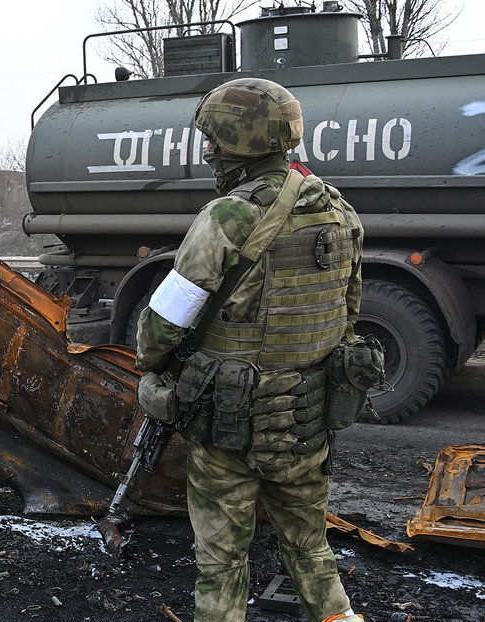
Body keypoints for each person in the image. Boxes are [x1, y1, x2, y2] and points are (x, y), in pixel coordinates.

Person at [134, 78, 366, 622]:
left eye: (213, 139)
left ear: (239, 143)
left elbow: (161, 326)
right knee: (311, 550)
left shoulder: (227, 217)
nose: (208, 150)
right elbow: (348, 314)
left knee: (221, 563)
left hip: (229, 427)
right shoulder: (340, 212)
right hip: (305, 418)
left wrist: (153, 369)